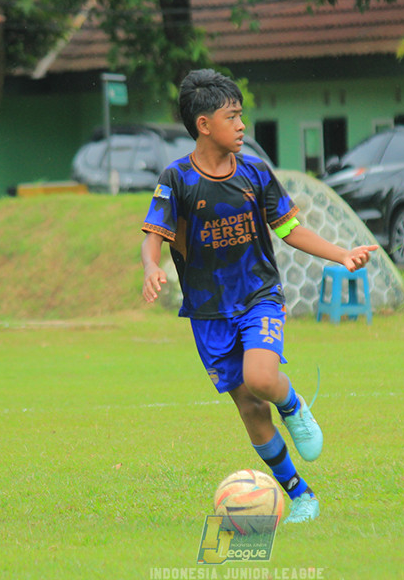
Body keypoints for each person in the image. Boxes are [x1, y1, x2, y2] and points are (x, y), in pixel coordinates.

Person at [140, 68, 377, 524]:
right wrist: (152, 266)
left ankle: (294, 406)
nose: (243, 125)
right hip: (208, 312)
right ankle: (300, 493)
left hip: (258, 296)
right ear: (204, 124)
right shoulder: (178, 179)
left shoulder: (254, 172)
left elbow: (290, 229)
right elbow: (155, 233)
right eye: (233, 117)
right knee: (249, 406)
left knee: (263, 378)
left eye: (242, 116)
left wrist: (340, 253)